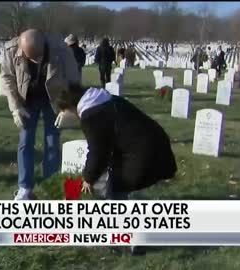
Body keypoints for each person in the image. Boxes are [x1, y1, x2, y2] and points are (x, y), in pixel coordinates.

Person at [55, 84, 177, 255]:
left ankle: (124, 240)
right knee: (121, 190)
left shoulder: (91, 115)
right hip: (153, 143)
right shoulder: (103, 100)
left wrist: (88, 178)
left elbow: (98, 151)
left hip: (142, 153)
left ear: (70, 107)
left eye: (65, 111)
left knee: (117, 193)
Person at [0, 29, 80, 200]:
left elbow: (74, 79)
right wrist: (15, 108)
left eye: (38, 57)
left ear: (44, 45)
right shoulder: (11, 50)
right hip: (27, 97)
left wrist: (69, 109)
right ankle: (25, 187)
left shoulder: (62, 50)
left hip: (55, 98)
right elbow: (7, 78)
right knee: (25, 140)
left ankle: (50, 184)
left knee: (52, 140)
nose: (35, 61)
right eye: (31, 58)